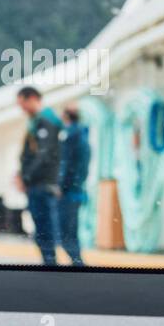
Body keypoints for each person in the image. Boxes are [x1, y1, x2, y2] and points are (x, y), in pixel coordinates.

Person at [14, 87, 63, 265]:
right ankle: (48, 262)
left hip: (42, 185)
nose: (22, 109)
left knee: (44, 229)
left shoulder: (46, 122)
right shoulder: (37, 122)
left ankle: (50, 265)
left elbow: (43, 155)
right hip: (38, 184)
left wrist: (25, 177)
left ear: (33, 98)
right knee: (42, 228)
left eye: (23, 104)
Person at [57, 105, 91, 266]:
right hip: (77, 190)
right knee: (71, 231)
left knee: (65, 232)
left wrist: (61, 187)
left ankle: (78, 263)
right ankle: (77, 262)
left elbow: (66, 165)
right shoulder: (83, 136)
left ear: (66, 117)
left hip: (68, 192)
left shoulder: (70, 136)